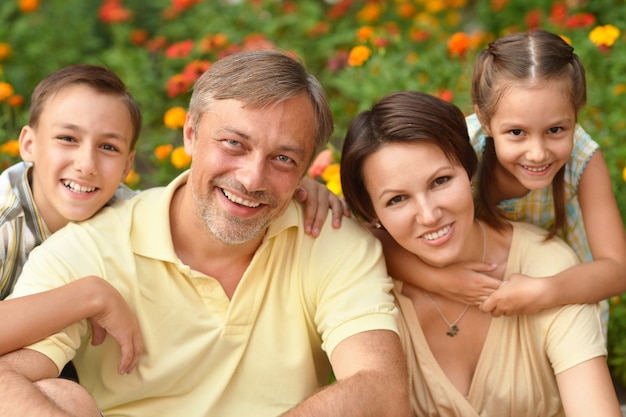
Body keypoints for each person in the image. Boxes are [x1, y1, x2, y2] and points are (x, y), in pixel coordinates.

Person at [0, 50, 409, 417]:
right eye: (233, 144)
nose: (252, 179)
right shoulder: (87, 248)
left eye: (283, 158)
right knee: (57, 396)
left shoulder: (334, 242)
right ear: (190, 134)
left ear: (305, 171)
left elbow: (382, 388)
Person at [0, 64, 347, 366]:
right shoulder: (5, 220)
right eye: (67, 138)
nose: (86, 165)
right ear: (28, 144)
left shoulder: (121, 211)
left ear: (127, 165)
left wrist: (301, 185)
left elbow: (209, 190)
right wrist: (90, 295)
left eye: (108, 147)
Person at [340, 90, 622, 416]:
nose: (429, 214)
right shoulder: (364, 288)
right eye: (397, 200)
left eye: (441, 181)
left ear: (469, 170)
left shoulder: (547, 267)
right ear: (371, 212)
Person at [384, 30, 626, 329]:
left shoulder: (582, 158)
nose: (537, 153)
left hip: (562, 293)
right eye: (516, 133)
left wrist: (544, 290)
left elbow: (616, 269)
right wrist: (441, 280)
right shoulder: (458, 150)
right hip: (473, 299)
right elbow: (378, 233)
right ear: (485, 120)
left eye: (555, 130)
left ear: (575, 116)